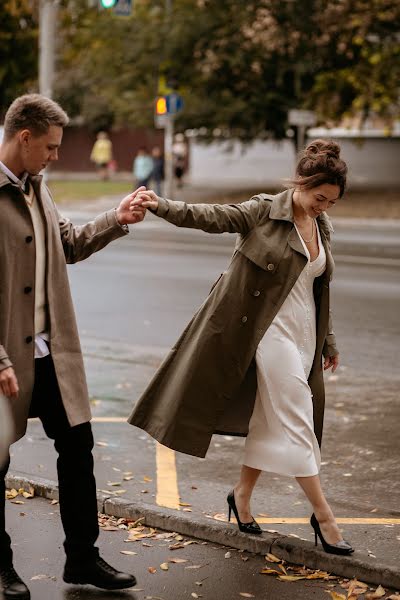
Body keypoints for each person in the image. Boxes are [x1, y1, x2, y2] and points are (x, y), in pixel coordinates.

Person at [128, 139, 354, 557]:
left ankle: (241, 497)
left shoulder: (322, 227)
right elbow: (211, 217)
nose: (324, 206)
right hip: (265, 332)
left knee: (271, 420)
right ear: (301, 184)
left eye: (332, 202)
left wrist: (328, 340)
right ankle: (325, 518)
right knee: (298, 417)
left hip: (304, 334)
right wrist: (161, 205)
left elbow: (317, 288)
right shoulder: (264, 210)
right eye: (319, 197)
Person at [0, 94, 146, 599]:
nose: (55, 156)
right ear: (25, 137)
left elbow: (69, 245)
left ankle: (82, 559)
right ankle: (2, 566)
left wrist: (117, 218)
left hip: (50, 352)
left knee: (77, 446)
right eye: (51, 147)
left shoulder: (40, 187)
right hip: (5, 359)